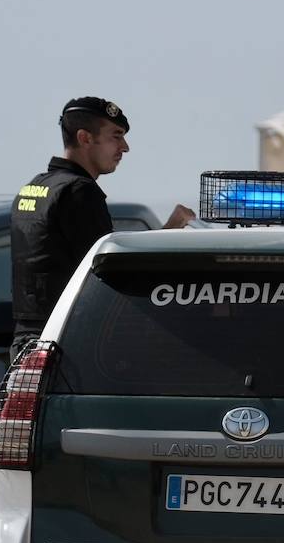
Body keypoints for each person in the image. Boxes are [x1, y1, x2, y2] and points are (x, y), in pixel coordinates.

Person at [10, 97, 194, 360]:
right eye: (116, 136)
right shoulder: (79, 192)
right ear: (85, 138)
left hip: (29, 341)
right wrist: (170, 231)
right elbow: (112, 271)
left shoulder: (36, 187)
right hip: (67, 344)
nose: (125, 147)